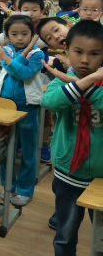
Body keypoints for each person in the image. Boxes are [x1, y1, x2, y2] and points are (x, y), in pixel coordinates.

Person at [41, 20, 103, 256]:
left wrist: (84, 86)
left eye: (94, 54)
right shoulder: (60, 82)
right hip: (67, 172)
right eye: (78, 52)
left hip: (101, 174)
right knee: (65, 235)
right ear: (66, 49)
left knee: (101, 239)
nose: (85, 60)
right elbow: (50, 102)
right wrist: (85, 82)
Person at [0, 15, 44, 207]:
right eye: (14, 34)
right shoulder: (6, 49)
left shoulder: (37, 54)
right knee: (6, 148)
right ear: (7, 35)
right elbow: (13, 69)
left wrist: (9, 58)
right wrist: (9, 57)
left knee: (28, 150)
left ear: (32, 34)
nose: (19, 38)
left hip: (28, 106)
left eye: (24, 34)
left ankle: (25, 190)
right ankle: (8, 186)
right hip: (6, 105)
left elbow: (23, 74)